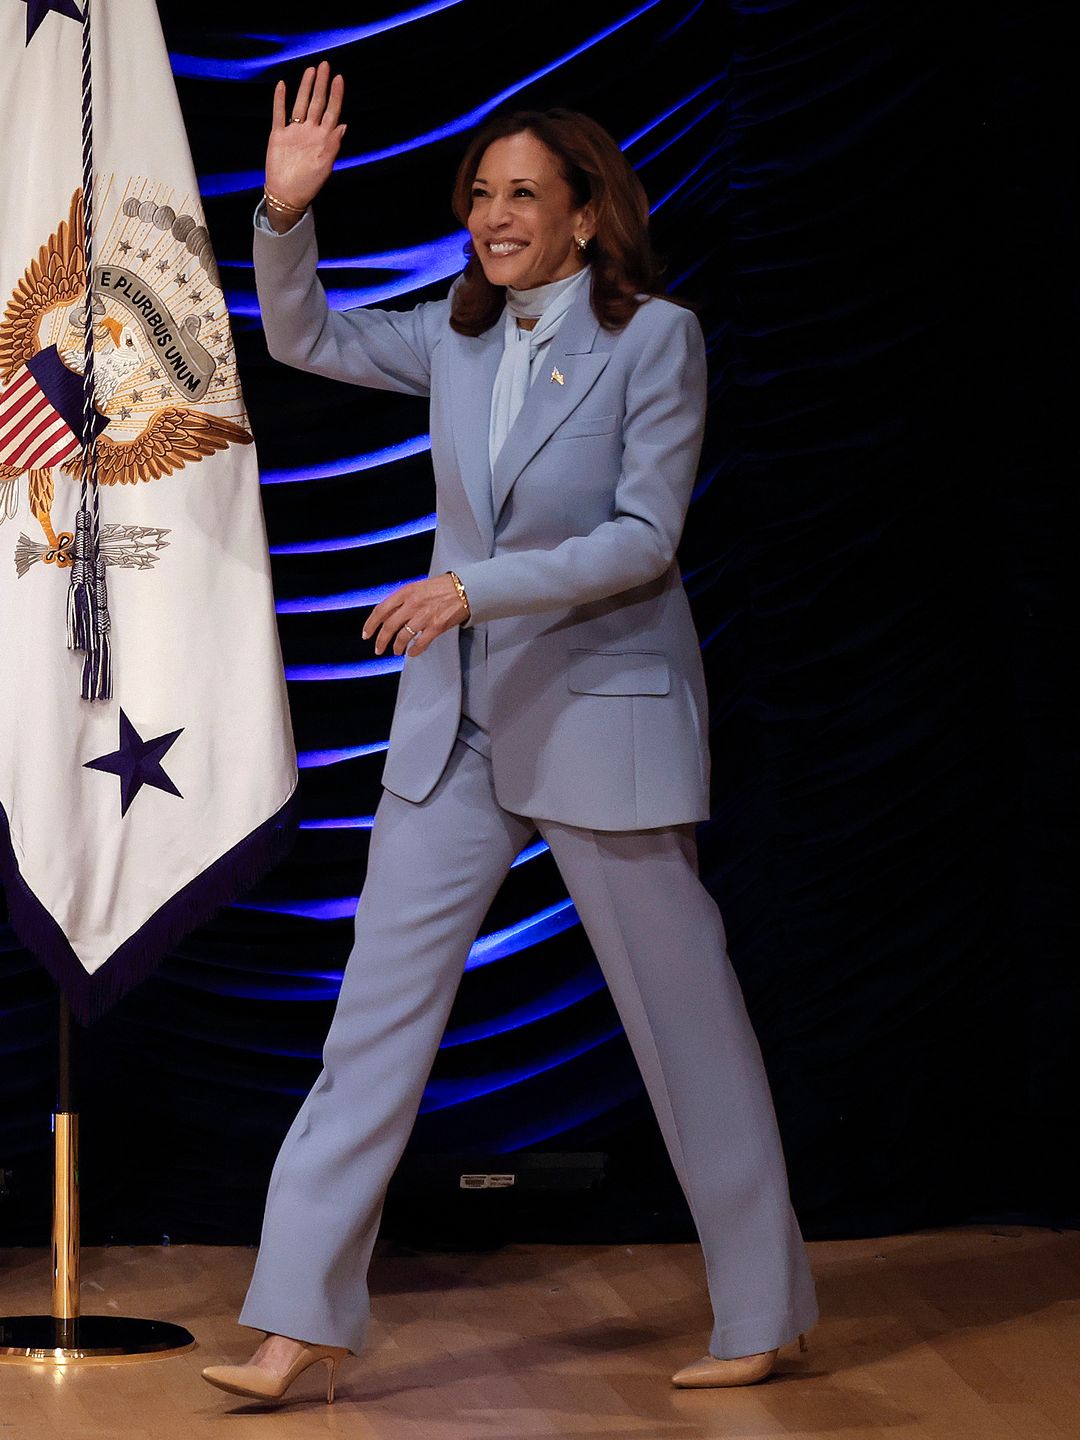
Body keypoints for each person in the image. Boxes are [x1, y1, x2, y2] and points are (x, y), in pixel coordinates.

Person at [200, 60, 819, 1406]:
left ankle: (764, 1311)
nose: (493, 214)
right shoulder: (456, 336)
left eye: (521, 193)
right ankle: (296, 1321)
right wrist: (286, 217)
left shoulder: (658, 338)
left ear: (589, 212)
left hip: (601, 722)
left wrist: (471, 588)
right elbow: (306, 339)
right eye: (480, 193)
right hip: (457, 734)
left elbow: (644, 542)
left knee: (688, 1030)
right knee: (369, 1027)